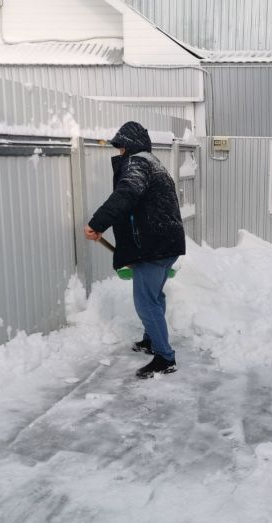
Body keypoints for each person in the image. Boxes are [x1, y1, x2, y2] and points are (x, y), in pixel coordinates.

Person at [84, 121, 185, 378]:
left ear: (129, 146)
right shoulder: (154, 163)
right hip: (166, 244)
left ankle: (165, 357)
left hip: (153, 247)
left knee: (145, 302)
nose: (119, 153)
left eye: (121, 148)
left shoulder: (137, 163)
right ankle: (152, 340)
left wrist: (98, 223)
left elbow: (126, 193)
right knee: (155, 297)